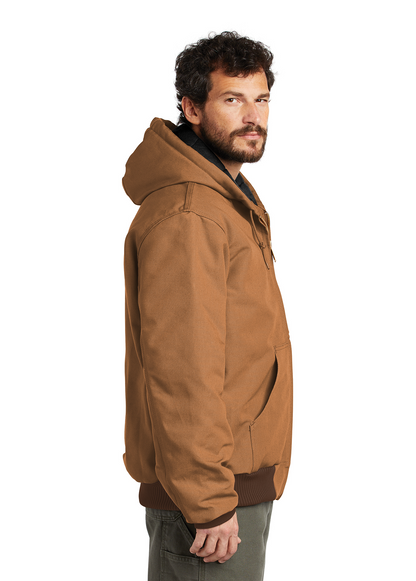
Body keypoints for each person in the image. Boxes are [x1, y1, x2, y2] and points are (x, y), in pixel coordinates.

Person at [122, 31, 293, 580]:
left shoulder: (223, 201)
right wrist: (209, 500)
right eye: (232, 99)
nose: (253, 116)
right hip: (211, 500)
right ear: (192, 108)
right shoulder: (191, 214)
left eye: (261, 99)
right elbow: (182, 368)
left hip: (229, 483)